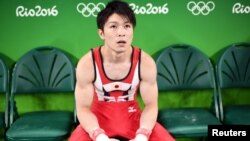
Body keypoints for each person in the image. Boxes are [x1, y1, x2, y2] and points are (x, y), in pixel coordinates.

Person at [69, 0, 175, 141]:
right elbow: (82, 109)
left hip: (134, 121)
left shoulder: (145, 62)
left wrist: (143, 135)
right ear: (101, 33)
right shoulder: (87, 64)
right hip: (97, 122)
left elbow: (151, 105)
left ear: (132, 31)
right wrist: (98, 136)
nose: (121, 33)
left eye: (127, 26)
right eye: (113, 26)